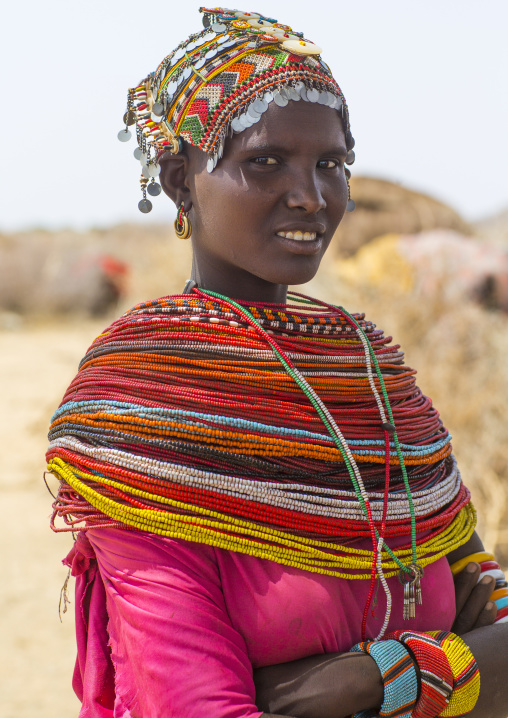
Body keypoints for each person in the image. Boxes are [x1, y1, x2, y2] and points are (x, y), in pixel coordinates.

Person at [46, 8, 508, 718]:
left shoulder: (372, 376)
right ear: (179, 180)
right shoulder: (146, 403)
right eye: (265, 162)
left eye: (331, 165)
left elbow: (489, 597)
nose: (311, 196)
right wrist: (462, 667)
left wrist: (370, 679)